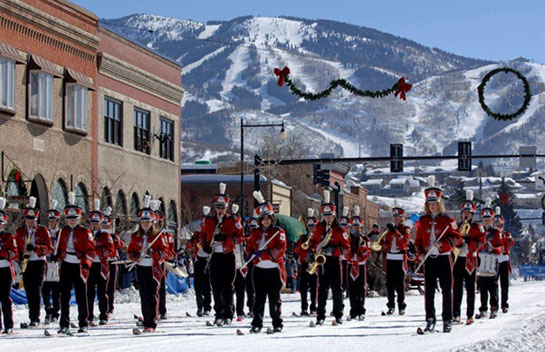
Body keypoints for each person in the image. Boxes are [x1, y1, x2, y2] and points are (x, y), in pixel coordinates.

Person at [414, 176, 461, 333]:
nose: (433, 206)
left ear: (439, 204)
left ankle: (447, 320)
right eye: (430, 204)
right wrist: (419, 254)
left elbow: (458, 238)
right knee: (429, 291)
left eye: (435, 204)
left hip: (444, 258)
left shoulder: (448, 219)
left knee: (447, 290)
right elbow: (418, 242)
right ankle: (430, 319)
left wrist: (443, 244)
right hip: (429, 259)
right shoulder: (423, 220)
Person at [201, 183, 243, 326]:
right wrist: (205, 246)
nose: (220, 210)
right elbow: (203, 236)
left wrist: (227, 239)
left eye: (223, 207)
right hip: (215, 256)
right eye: (218, 207)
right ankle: (218, 313)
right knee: (216, 286)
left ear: (227, 207)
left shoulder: (233, 220)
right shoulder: (209, 221)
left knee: (227, 286)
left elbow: (240, 237)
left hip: (228, 256)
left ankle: (228, 314)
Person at [127, 196, 169, 333]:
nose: (145, 224)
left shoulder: (158, 236)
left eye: (148, 222)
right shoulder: (135, 237)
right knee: (143, 295)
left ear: (152, 222)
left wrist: (154, 253)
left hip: (154, 268)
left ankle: (152, 322)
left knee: (152, 295)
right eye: (143, 222)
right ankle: (146, 320)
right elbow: (130, 252)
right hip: (141, 268)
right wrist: (135, 257)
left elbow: (165, 252)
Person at [246, 191, 287, 333]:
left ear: (272, 218)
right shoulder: (254, 233)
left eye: (268, 218)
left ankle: (277, 322)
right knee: (259, 298)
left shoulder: (278, 231)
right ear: (259, 220)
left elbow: (281, 249)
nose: (266, 221)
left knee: (274, 298)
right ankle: (257, 323)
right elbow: (249, 247)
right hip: (259, 270)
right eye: (263, 219)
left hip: (274, 269)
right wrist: (249, 255)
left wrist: (263, 254)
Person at [55, 192, 95, 334]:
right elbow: (59, 248)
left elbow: (91, 251)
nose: (71, 221)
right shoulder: (62, 232)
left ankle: (83, 323)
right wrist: (57, 256)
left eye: (74, 219)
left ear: (78, 219)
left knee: (80, 295)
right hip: (66, 264)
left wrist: (86, 262)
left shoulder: (85, 232)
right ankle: (63, 323)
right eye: (69, 219)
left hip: (79, 264)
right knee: (64, 295)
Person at [310, 189, 350, 326]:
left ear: (334, 216)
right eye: (325, 216)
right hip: (322, 262)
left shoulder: (339, 230)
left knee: (337, 289)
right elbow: (314, 242)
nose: (328, 218)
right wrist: (313, 250)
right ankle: (320, 315)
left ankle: (338, 314)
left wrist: (333, 250)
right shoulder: (319, 228)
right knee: (321, 289)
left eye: (330, 216)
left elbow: (346, 248)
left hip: (334, 261)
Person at [16, 196, 53, 328]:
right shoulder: (20, 231)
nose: (30, 223)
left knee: (36, 289)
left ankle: (35, 317)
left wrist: (36, 248)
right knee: (28, 289)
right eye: (28, 220)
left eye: (32, 221)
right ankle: (32, 314)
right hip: (26, 262)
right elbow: (17, 248)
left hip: (38, 262)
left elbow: (49, 248)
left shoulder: (43, 231)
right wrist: (19, 258)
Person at [452, 190, 485, 325]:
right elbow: (452, 239)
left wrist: (469, 241)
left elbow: (482, 243)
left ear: (472, 214)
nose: (465, 215)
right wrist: (459, 241)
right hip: (458, 258)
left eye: (468, 213)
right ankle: (456, 315)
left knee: (470, 288)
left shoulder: (478, 226)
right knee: (457, 287)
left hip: (470, 258)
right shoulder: (457, 226)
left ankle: (470, 314)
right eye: (463, 213)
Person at [87, 200, 115, 326]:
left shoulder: (105, 235)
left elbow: (111, 250)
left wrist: (97, 251)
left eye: (96, 223)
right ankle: (89, 315)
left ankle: (104, 314)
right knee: (89, 292)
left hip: (101, 266)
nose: (94, 225)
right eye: (92, 223)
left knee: (102, 292)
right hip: (89, 265)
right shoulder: (86, 234)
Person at [380, 204, 411, 316]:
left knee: (400, 283)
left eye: (398, 217)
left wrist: (395, 232)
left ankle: (401, 306)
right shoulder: (389, 230)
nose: (396, 219)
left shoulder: (405, 229)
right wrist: (382, 242)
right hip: (390, 257)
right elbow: (382, 242)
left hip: (400, 258)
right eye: (394, 217)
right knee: (389, 284)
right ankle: (391, 306)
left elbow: (404, 241)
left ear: (402, 218)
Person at [475, 202, 503, 320]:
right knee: (482, 286)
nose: (486, 221)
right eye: (484, 219)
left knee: (492, 286)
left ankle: (494, 307)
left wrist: (494, 249)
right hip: (481, 259)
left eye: (488, 219)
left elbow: (500, 247)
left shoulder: (496, 232)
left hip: (492, 260)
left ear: (492, 219)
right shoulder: (479, 231)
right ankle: (483, 308)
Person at [187, 206, 212, 317]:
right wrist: (192, 243)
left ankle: (207, 307)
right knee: (198, 286)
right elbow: (188, 245)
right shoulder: (197, 235)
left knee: (207, 286)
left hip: (208, 260)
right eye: (202, 225)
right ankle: (199, 307)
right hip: (198, 260)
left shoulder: (211, 236)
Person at [293, 208, 318, 316]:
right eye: (309, 227)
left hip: (315, 264)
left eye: (313, 227)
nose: (311, 229)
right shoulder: (303, 237)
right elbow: (296, 250)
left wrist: (313, 248)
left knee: (314, 287)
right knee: (303, 288)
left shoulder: (318, 238)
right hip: (304, 263)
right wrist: (302, 243)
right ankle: (304, 308)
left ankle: (313, 307)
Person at [347, 206, 370, 321]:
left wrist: (361, 250)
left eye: (358, 227)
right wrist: (350, 257)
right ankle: (353, 310)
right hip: (351, 265)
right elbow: (345, 251)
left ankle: (361, 309)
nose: (356, 230)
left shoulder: (365, 239)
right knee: (351, 288)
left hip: (360, 265)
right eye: (355, 227)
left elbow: (367, 252)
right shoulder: (348, 239)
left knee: (361, 288)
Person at [102, 207, 125, 318]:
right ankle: (102, 308)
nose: (105, 227)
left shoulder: (114, 236)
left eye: (107, 225)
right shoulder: (99, 236)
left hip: (112, 262)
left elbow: (122, 246)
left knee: (111, 286)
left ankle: (110, 307)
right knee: (102, 286)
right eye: (104, 225)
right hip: (102, 262)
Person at [0, 197, 18, 335]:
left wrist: (4, 252)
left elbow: (14, 253)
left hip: (5, 269)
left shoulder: (8, 237)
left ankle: (8, 325)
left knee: (5, 298)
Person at [42, 200, 61, 324]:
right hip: (46, 262)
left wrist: (58, 256)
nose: (51, 223)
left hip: (57, 263)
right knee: (45, 289)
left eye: (54, 221)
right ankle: (48, 309)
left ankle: (56, 311)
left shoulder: (61, 233)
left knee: (56, 290)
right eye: (50, 221)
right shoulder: (45, 233)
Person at [494, 208, 514, 314]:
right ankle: (495, 304)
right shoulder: (492, 234)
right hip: (495, 260)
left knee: (504, 284)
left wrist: (504, 236)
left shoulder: (506, 234)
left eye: (500, 224)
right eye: (497, 224)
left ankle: (504, 304)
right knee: (493, 284)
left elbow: (511, 242)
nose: (499, 226)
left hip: (504, 259)